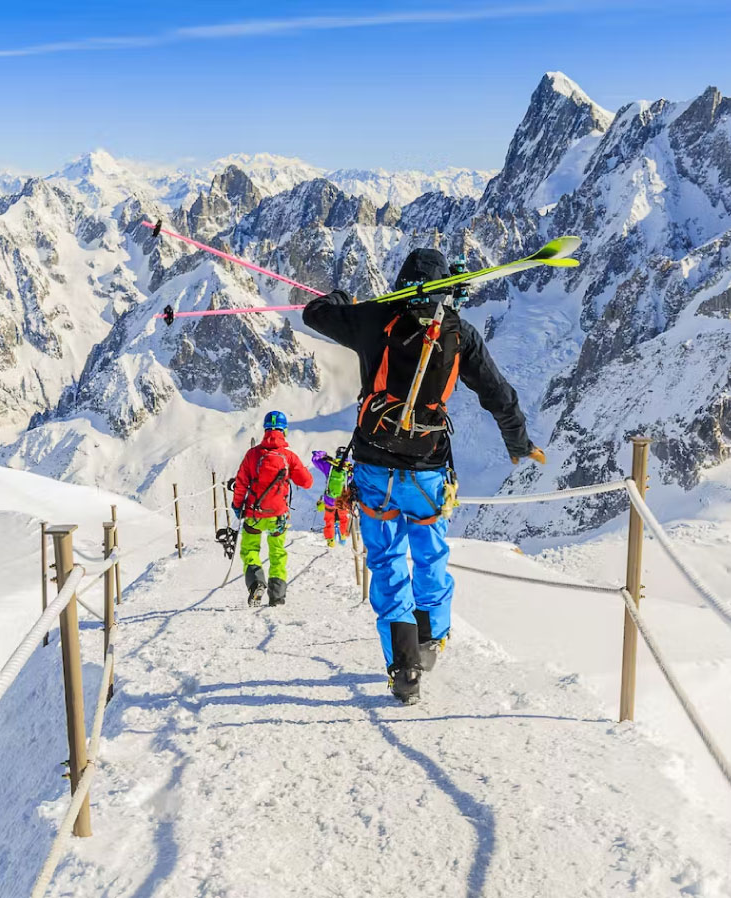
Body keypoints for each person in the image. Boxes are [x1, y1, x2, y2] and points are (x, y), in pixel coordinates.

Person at [302, 248, 547, 704]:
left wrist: (339, 299)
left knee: (387, 562)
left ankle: (403, 665)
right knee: (429, 554)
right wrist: (517, 441)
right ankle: (431, 639)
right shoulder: (458, 331)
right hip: (428, 469)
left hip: (375, 465)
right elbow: (497, 392)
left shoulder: (374, 318)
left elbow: (314, 314)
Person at [231, 410, 314, 607]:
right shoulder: (288, 456)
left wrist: (237, 505)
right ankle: (276, 596)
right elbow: (308, 482)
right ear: (284, 430)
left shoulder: (253, 454)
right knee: (277, 553)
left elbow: (241, 483)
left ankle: (256, 582)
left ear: (265, 429)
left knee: (250, 548)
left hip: (254, 513)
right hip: (278, 515)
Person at [311, 449, 354, 547]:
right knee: (344, 519)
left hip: (329, 499)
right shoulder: (349, 468)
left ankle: (331, 541)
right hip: (343, 500)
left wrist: (321, 454)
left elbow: (315, 460)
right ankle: (343, 537)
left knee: (329, 520)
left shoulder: (330, 466)